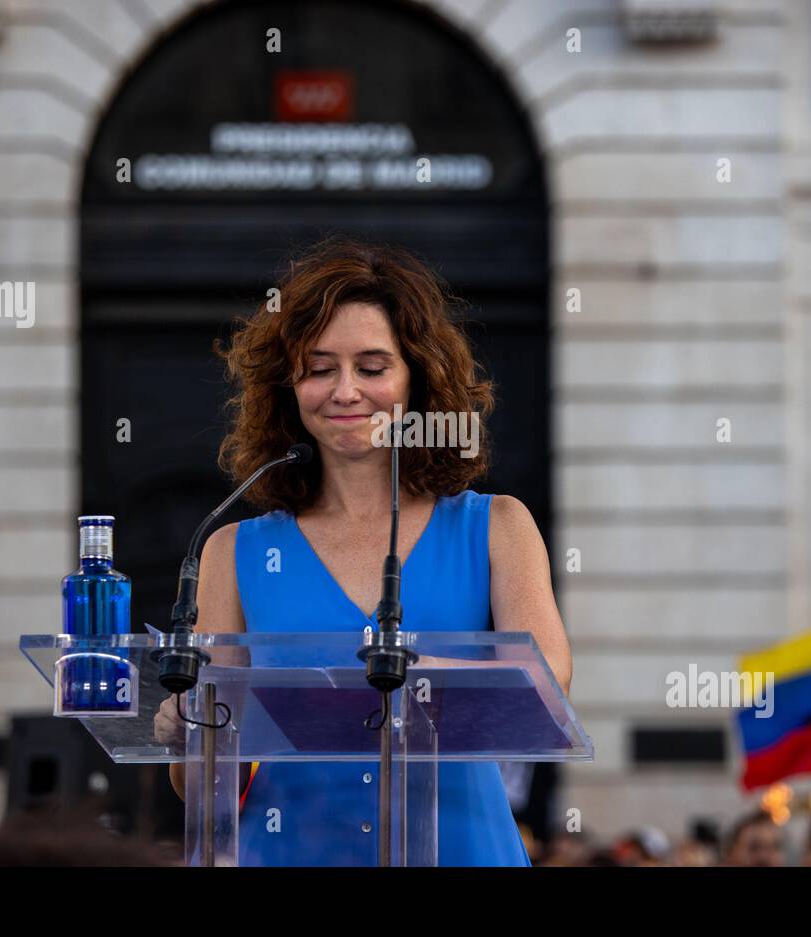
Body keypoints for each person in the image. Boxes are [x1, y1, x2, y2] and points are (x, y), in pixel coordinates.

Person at [156, 238, 573, 866]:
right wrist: (190, 735)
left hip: (463, 848)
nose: (345, 391)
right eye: (320, 368)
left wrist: (398, 677)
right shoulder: (230, 548)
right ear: (288, 385)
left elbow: (545, 684)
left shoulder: (498, 527)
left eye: (373, 368)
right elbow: (203, 787)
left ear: (418, 380)